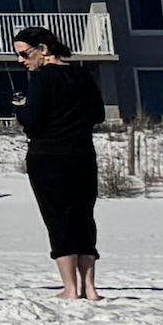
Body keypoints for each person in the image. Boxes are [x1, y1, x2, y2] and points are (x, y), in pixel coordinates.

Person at [11, 26, 109, 301]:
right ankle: (90, 287)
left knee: (58, 218)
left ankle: (70, 288)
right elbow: (98, 114)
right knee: (83, 217)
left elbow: (33, 121)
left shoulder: (42, 78)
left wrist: (21, 109)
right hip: (82, 155)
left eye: (24, 54)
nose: (21, 60)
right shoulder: (81, 74)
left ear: (43, 49)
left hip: (48, 157)